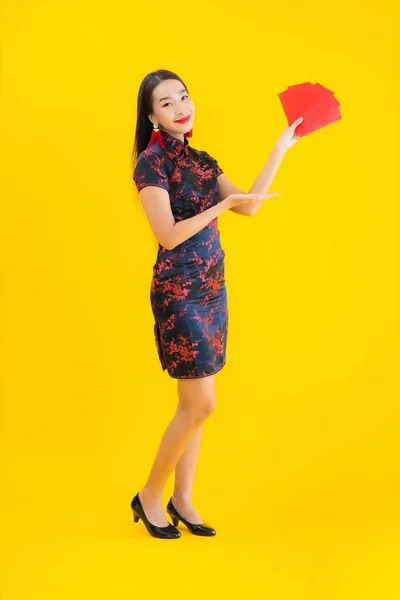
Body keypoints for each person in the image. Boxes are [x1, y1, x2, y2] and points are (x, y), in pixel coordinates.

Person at [130, 69, 303, 539]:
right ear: (151, 115)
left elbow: (248, 204)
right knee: (201, 405)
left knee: (194, 403)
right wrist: (218, 209)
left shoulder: (201, 160)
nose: (181, 107)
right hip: (178, 292)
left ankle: (183, 498)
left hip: (212, 289)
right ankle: (149, 496)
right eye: (167, 103)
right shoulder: (152, 164)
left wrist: (279, 149)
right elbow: (167, 235)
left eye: (184, 97)